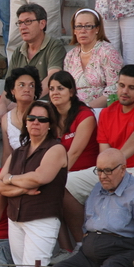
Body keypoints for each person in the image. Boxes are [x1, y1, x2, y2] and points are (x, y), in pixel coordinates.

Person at [0, 101, 68, 267]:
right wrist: (22, 187)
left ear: (50, 125)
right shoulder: (18, 151)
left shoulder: (56, 149)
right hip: (16, 218)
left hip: (42, 219)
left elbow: (42, 177)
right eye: (32, 118)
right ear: (25, 122)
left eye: (42, 119)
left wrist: (12, 180)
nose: (36, 123)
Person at [62, 65, 134, 257]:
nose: (125, 91)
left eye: (131, 87)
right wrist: (108, 169)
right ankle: (82, 243)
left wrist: (113, 166)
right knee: (64, 184)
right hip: (109, 167)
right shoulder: (107, 112)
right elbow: (104, 154)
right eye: (121, 85)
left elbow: (128, 148)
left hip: (133, 169)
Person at [49, 70, 99, 252]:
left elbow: (75, 152)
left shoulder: (85, 115)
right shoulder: (50, 118)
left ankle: (81, 245)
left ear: (71, 91)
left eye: (60, 88)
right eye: (52, 88)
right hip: (65, 172)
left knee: (59, 186)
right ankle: (66, 251)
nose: (55, 92)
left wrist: (51, 177)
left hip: (89, 171)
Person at [64, 8, 122, 107]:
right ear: (74, 30)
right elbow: (65, 87)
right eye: (78, 26)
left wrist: (86, 109)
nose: (83, 30)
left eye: (88, 26)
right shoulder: (70, 56)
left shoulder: (108, 52)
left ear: (97, 29)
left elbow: (114, 89)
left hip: (101, 110)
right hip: (73, 110)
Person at [1, 66, 41, 163]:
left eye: (31, 86)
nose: (27, 89)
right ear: (12, 90)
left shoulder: (44, 113)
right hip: (17, 169)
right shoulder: (6, 119)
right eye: (21, 85)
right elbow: (7, 154)